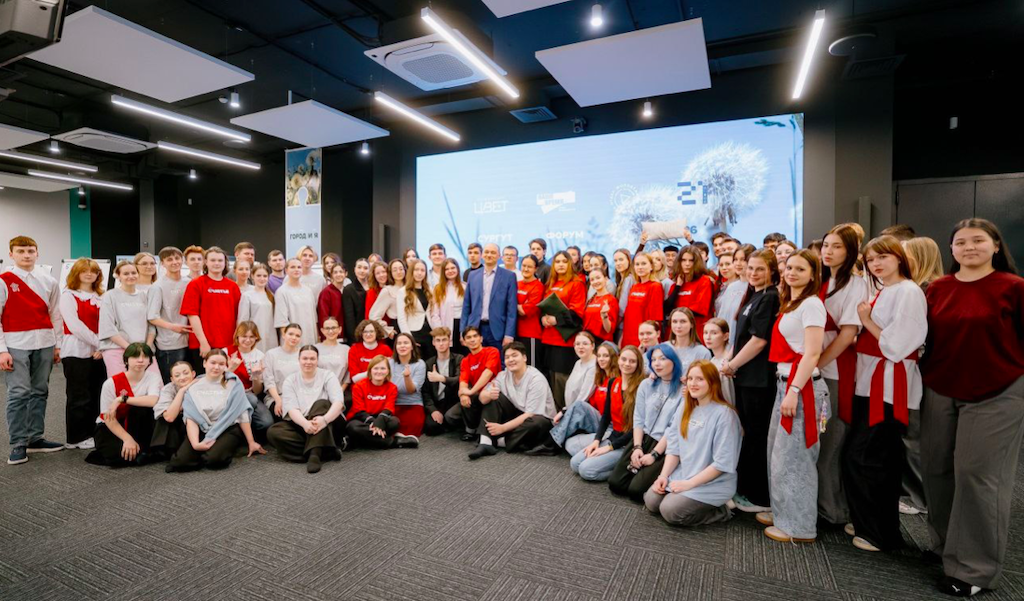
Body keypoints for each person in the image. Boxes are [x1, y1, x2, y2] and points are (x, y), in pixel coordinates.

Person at [920, 218, 1024, 597]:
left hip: (998, 390)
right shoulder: (938, 288)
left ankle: (974, 570)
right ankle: (947, 548)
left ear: (996, 245)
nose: (969, 247)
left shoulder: (1014, 287)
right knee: (936, 470)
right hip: (941, 386)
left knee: (977, 476)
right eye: (961, 242)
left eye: (978, 240)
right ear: (951, 249)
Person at [842, 235, 927, 553]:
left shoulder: (908, 291)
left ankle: (878, 531)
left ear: (899, 257)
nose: (876, 264)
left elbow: (897, 344)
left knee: (869, 457)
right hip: (871, 381)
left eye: (882, 257)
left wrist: (866, 321)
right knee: (871, 456)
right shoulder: (885, 290)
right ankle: (869, 522)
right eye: (870, 260)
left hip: (889, 386)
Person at [760, 249, 829, 544]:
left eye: (801, 269)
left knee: (796, 459)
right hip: (786, 384)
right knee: (779, 454)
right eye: (789, 267)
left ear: (813, 275)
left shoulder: (812, 304)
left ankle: (799, 527)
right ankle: (783, 513)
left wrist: (794, 391)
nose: (792, 273)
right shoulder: (792, 302)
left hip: (801, 388)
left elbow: (812, 353)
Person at [815, 223, 869, 528]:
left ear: (850, 252)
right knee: (818, 440)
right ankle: (821, 505)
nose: (828, 251)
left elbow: (848, 334)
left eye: (837, 246)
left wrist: (817, 364)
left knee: (832, 442)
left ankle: (834, 510)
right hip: (817, 368)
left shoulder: (856, 284)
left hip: (836, 370)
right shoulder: (823, 279)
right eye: (826, 245)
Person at [645, 360, 742, 526]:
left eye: (700, 379)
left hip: (713, 482)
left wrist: (689, 484)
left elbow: (722, 464)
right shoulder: (686, 407)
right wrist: (663, 476)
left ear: (712, 382)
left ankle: (723, 510)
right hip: (685, 473)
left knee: (670, 511)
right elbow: (674, 448)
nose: (693, 383)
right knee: (651, 501)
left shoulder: (725, 415)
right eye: (690, 378)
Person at [720, 249, 780, 514]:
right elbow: (741, 337)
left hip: (758, 379)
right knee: (747, 433)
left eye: (760, 269)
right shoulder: (754, 294)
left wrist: (733, 364)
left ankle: (759, 496)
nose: (753, 273)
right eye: (750, 268)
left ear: (772, 271)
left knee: (756, 436)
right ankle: (746, 488)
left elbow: (759, 341)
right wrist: (729, 359)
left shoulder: (770, 297)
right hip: (745, 376)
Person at [607, 343, 685, 502]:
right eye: (653, 360)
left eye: (662, 359)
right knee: (615, 484)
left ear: (674, 361)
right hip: (642, 438)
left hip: (663, 445)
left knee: (636, 492)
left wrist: (654, 455)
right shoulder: (646, 384)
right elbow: (639, 418)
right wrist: (637, 447)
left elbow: (673, 429)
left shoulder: (683, 391)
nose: (657, 363)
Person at [900, 235, 943, 516]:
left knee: (914, 436)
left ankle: (921, 498)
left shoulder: (927, 291)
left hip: (922, 373)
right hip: (919, 372)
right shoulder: (920, 288)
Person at [166, 349, 264, 471]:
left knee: (213, 460)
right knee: (179, 462)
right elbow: (191, 418)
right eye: (213, 363)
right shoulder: (193, 386)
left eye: (221, 364)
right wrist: (195, 444)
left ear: (226, 366)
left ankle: (219, 449)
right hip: (203, 427)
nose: (216, 367)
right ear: (204, 363)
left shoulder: (233, 384)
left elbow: (242, 414)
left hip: (227, 428)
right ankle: (207, 449)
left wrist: (251, 442)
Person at [467, 341, 556, 459]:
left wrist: (503, 428)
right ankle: (485, 442)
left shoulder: (536, 379)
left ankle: (500, 441)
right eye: (507, 357)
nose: (511, 360)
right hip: (517, 414)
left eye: (514, 355)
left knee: (537, 423)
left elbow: (530, 413)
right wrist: (488, 395)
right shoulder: (503, 375)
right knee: (493, 397)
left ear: (524, 358)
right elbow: (482, 398)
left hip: (537, 418)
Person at [570, 345, 646, 481]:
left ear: (638, 364)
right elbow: (606, 416)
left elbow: (638, 427)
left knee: (586, 471)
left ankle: (624, 469)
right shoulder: (613, 382)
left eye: (632, 361)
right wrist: (597, 440)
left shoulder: (642, 387)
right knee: (575, 463)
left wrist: (609, 448)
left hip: (628, 444)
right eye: (624, 359)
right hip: (613, 437)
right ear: (618, 359)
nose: (627, 364)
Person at [267, 345, 346, 473]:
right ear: (299, 360)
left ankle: (314, 456)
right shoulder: (290, 380)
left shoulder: (328, 375)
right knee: (273, 432)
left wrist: (324, 420)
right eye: (305, 358)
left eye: (312, 359)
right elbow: (292, 409)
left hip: (328, 422)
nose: (308, 362)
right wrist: (305, 424)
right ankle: (327, 451)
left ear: (317, 360)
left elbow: (338, 402)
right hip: (303, 423)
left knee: (321, 403)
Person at [529, 339, 616, 456]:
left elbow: (584, 401)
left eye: (606, 356)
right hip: (598, 419)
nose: (601, 359)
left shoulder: (616, 380)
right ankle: (552, 440)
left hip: (609, 425)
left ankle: (551, 443)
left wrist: (565, 411)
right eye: (599, 356)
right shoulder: (600, 377)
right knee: (569, 444)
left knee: (578, 406)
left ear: (613, 358)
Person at [86, 342, 162, 467]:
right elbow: (107, 418)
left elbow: (153, 400)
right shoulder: (111, 383)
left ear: (149, 361)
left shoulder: (153, 377)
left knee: (142, 409)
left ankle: (142, 447)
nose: (140, 360)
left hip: (137, 423)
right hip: (111, 424)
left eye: (145, 357)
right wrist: (127, 439)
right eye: (135, 356)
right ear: (126, 360)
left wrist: (121, 399)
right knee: (119, 458)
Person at [60, 258, 106, 451]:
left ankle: (92, 433)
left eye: (93, 271)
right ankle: (76, 438)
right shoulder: (68, 295)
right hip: (76, 351)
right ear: (76, 274)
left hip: (99, 352)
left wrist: (102, 347)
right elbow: (75, 326)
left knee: (96, 394)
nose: (89, 274)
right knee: (79, 396)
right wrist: (99, 343)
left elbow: (108, 323)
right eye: (84, 271)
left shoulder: (102, 296)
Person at [180, 246, 241, 372]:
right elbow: (192, 315)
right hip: (203, 344)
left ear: (225, 263)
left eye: (220, 260)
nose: (216, 263)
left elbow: (238, 316)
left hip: (228, 344)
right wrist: (203, 342)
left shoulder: (233, 286)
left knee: (225, 378)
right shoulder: (196, 284)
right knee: (204, 379)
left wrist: (236, 343)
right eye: (213, 260)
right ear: (206, 262)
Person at [99, 261, 160, 380]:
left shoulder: (144, 296)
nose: (130, 276)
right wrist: (131, 349)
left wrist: (146, 348)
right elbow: (108, 327)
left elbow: (151, 324)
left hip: (143, 351)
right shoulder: (110, 296)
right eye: (126, 273)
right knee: (123, 386)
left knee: (154, 385)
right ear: (118, 276)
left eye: (133, 273)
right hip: (116, 349)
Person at [539, 251, 586, 403]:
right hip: (548, 338)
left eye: (564, 261)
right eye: (557, 261)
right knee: (550, 379)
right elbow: (543, 307)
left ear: (570, 264)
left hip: (565, 341)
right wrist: (543, 318)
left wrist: (556, 320)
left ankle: (564, 412)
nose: (560, 264)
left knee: (562, 381)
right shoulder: (550, 284)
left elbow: (577, 313)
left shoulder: (576, 283)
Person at [346, 355, 415, 449]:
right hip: (362, 419)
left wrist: (379, 423)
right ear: (370, 370)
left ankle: (357, 442)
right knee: (353, 428)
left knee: (395, 422)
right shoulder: (358, 386)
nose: (379, 371)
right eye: (376, 368)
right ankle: (392, 442)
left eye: (383, 368)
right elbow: (359, 410)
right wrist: (375, 424)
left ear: (388, 371)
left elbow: (389, 408)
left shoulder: (392, 387)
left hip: (381, 417)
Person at [461, 243, 518, 352]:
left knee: (498, 361)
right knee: (477, 361)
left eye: (493, 252)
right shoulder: (472, 275)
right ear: (482, 255)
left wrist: (509, 334)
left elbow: (511, 309)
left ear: (499, 256)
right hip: (475, 329)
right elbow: (466, 305)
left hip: (498, 330)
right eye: (486, 252)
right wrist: (463, 331)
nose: (489, 255)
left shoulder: (509, 276)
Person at [148, 247, 192, 382]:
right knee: (171, 383)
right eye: (169, 259)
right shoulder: (157, 286)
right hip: (169, 344)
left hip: (189, 341)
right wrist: (174, 327)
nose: (174, 262)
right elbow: (152, 317)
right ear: (162, 263)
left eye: (177, 258)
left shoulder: (189, 282)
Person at [227, 321, 274, 437]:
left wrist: (256, 377)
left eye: (252, 336)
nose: (248, 340)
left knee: (267, 422)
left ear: (256, 337)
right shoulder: (226, 352)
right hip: (229, 395)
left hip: (251, 394)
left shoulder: (260, 356)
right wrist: (231, 369)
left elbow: (257, 391)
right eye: (244, 336)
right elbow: (218, 382)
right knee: (251, 400)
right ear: (237, 336)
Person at [457, 326, 501, 441]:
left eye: (475, 336)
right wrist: (463, 394)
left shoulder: (492, 351)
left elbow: (487, 374)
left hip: (494, 393)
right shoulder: (465, 361)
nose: (472, 340)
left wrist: (471, 391)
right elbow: (463, 381)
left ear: (481, 338)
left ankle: (483, 433)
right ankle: (472, 429)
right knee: (450, 416)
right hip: (476, 396)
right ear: (464, 342)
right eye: (468, 337)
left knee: (484, 398)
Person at [666, 246, 715, 345]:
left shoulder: (704, 281)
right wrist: (678, 286)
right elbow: (667, 309)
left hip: (696, 335)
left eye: (691, 260)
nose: (687, 264)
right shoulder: (676, 283)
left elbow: (700, 309)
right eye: (684, 260)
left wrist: (677, 314)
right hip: (676, 336)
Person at [422, 327, 465, 436]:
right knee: (430, 427)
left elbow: (460, 380)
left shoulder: (459, 359)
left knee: (450, 418)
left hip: (454, 401)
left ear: (449, 341)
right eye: (438, 340)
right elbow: (425, 392)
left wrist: (441, 378)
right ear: (433, 343)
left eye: (444, 340)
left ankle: (449, 422)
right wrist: (433, 410)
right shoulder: (429, 363)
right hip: (438, 403)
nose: (441, 344)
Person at [150, 360, 193, 461]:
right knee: (164, 416)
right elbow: (169, 417)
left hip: (196, 423)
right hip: (177, 421)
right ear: (172, 379)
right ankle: (166, 452)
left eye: (186, 373)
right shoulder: (168, 389)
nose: (182, 377)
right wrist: (182, 391)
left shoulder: (200, 386)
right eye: (177, 375)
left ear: (193, 374)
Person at [620, 252, 663, 348]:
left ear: (651, 266)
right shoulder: (634, 286)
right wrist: (622, 338)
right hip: (628, 336)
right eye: (637, 264)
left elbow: (655, 318)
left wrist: (647, 341)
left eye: (643, 264)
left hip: (644, 339)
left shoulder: (655, 286)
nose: (640, 267)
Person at [717, 244, 756, 348]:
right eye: (735, 259)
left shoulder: (754, 288)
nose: (738, 263)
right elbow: (722, 317)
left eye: (743, 259)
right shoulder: (731, 287)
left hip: (744, 345)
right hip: (726, 344)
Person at [389, 332, 426, 440]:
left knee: (411, 431)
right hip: (393, 403)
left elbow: (411, 390)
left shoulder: (420, 364)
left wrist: (407, 377)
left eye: (406, 343)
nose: (402, 346)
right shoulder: (390, 363)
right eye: (399, 343)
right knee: (391, 428)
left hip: (412, 404)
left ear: (412, 346)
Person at [263, 323, 303, 419]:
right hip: (277, 397)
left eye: (297, 336)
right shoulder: (271, 354)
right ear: (284, 335)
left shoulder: (303, 354)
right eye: (291, 334)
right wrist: (278, 400)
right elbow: (269, 381)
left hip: (299, 396)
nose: (294, 338)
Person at [397, 259, 435, 361]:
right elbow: (401, 318)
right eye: (416, 270)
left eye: (422, 270)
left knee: (430, 363)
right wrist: (409, 339)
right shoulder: (403, 292)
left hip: (429, 333)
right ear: (411, 272)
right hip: (414, 333)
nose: (419, 273)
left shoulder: (429, 290)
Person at [274, 258, 318, 346]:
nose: (296, 269)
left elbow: (314, 317)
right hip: (292, 339)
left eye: (299, 267)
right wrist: (289, 340)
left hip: (309, 335)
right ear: (286, 270)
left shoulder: (308, 291)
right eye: (293, 267)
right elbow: (282, 321)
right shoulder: (282, 291)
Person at [237, 263, 278, 352]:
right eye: (258, 275)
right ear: (252, 276)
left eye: (265, 276)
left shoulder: (271, 295)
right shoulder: (247, 295)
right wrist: (244, 338)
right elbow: (243, 320)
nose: (262, 279)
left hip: (270, 335)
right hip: (253, 335)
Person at [429, 258, 465, 355]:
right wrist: (440, 331)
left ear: (457, 269)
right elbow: (434, 313)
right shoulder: (438, 289)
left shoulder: (465, 287)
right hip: (446, 327)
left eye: (453, 268)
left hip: (462, 326)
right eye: (447, 269)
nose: (450, 271)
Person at [515, 255, 545, 367]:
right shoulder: (516, 284)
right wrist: (519, 306)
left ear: (536, 269)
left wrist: (513, 306)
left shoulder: (538, 286)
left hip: (530, 334)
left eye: (530, 267)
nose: (526, 269)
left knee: (531, 368)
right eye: (524, 266)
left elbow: (524, 311)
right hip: (516, 332)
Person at [368, 259, 406, 337]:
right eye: (395, 270)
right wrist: (387, 330)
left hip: (414, 327)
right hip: (398, 329)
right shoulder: (387, 290)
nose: (398, 272)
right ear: (390, 273)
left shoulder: (410, 287)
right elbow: (373, 316)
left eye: (401, 269)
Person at [561, 332, 597, 411]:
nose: (581, 347)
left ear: (593, 346)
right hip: (571, 408)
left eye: (585, 344)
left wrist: (567, 412)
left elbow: (583, 396)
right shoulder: (578, 363)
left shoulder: (594, 366)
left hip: (582, 411)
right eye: (577, 344)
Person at [347, 319, 393, 383]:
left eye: (371, 331)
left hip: (381, 385)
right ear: (361, 333)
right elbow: (354, 379)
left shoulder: (385, 349)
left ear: (377, 333)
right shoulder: (354, 349)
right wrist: (376, 371)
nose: (368, 334)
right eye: (365, 332)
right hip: (361, 387)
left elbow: (391, 374)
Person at [702, 318, 734, 405]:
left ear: (725, 336)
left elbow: (728, 398)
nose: (708, 337)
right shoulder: (712, 361)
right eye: (705, 333)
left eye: (714, 333)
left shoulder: (726, 363)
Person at [583, 269, 618, 343]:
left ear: (605, 279)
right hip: (588, 341)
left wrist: (604, 316)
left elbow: (609, 330)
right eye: (592, 280)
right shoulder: (591, 299)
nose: (595, 281)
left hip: (601, 342)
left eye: (598, 278)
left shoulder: (611, 300)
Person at [315, 316, 350, 390]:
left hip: (339, 390)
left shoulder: (346, 349)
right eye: (327, 328)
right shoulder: (315, 348)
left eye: (333, 328)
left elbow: (348, 374)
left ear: (340, 329)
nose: (330, 331)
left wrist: (340, 390)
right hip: (318, 390)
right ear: (322, 330)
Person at [342, 258, 370, 344]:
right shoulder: (348, 289)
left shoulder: (373, 287)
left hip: (373, 330)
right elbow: (349, 317)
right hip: (357, 333)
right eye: (359, 267)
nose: (362, 271)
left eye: (365, 268)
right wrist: (354, 336)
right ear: (354, 269)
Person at [317, 263, 346, 340]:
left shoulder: (347, 290)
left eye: (341, 272)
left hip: (346, 334)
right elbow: (323, 316)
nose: (338, 274)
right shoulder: (326, 292)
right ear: (331, 275)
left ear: (346, 274)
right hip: (332, 334)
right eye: (335, 272)